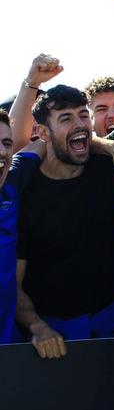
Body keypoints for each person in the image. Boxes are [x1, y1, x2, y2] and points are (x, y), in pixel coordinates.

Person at [12, 0, 114, 358]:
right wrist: (37, 326)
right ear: (42, 133)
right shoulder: (25, 188)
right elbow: (13, 283)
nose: (81, 124)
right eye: (66, 119)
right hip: (55, 339)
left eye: (83, 115)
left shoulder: (105, 161)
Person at [0, 110, 41, 344]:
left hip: (8, 358)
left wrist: (108, 146)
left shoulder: (10, 191)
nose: (2, 152)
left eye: (7, 143)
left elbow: (50, 143)